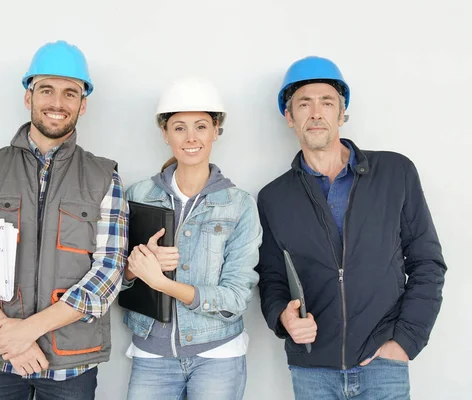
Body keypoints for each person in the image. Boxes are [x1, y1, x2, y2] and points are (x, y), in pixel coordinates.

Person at [0, 40, 128, 400]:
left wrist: (28, 330)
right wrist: (10, 337)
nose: (57, 103)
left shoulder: (105, 176)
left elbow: (109, 272)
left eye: (70, 93)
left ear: (83, 104)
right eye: (46, 90)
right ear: (29, 97)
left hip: (72, 364)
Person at [256, 56, 447, 399]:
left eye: (327, 102)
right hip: (312, 370)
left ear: (342, 113)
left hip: (382, 364)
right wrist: (283, 318)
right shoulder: (273, 197)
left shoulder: (395, 173)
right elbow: (271, 281)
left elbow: (427, 263)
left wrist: (404, 342)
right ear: (289, 117)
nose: (316, 113)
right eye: (304, 104)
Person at [120, 77, 262, 400]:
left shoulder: (239, 205)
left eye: (201, 126)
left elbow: (236, 299)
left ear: (216, 131)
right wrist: (137, 266)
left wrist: (162, 283)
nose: (191, 138)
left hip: (218, 356)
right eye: (179, 127)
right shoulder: (138, 195)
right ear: (165, 133)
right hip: (151, 355)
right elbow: (118, 282)